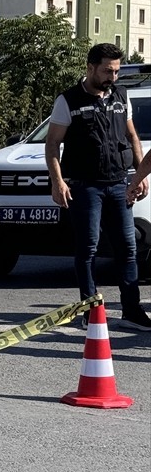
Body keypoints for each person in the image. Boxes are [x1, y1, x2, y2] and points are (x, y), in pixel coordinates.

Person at [45, 42, 151, 331]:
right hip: (85, 186)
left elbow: (132, 136)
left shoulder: (120, 95)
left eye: (116, 71)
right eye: (107, 71)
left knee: (128, 249)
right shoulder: (68, 100)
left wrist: (139, 175)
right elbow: (52, 143)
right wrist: (57, 182)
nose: (112, 77)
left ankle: (131, 310)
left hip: (118, 183)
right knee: (88, 249)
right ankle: (91, 311)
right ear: (90, 67)